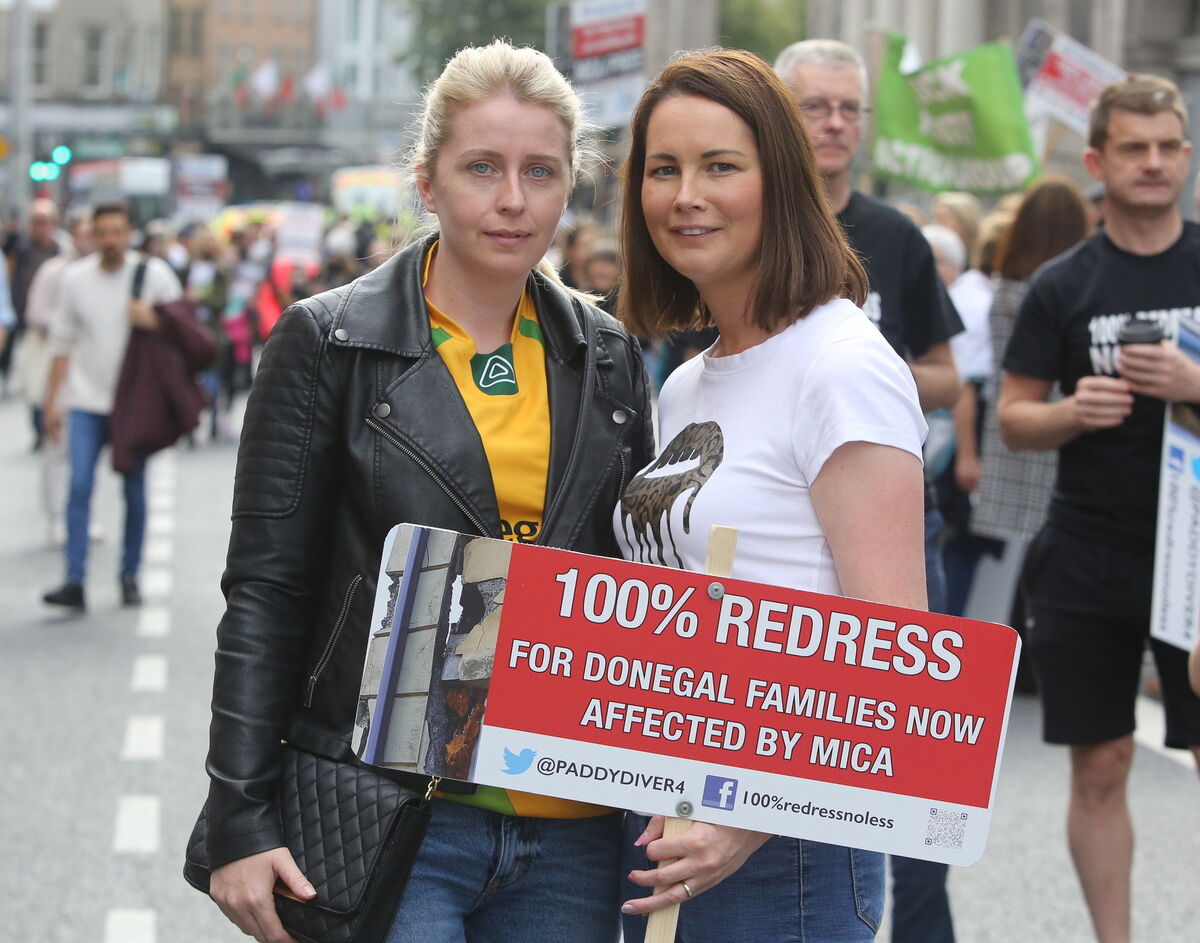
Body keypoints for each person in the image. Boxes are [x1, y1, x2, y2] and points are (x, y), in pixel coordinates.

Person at [200, 40, 653, 943]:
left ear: (573, 187)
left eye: (541, 172)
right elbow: (266, 590)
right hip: (395, 810)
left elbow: (630, 582)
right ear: (427, 182)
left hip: (570, 825)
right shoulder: (329, 343)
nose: (513, 199)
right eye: (482, 167)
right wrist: (238, 818)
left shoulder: (607, 355)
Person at [614, 49, 927, 943]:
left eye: (720, 166)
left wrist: (747, 821)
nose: (685, 196)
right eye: (663, 169)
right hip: (667, 825)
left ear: (781, 181)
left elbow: (899, 654)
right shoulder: (684, 384)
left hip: (785, 851)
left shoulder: (843, 365)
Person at [998, 74, 1200, 943]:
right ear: (1097, 160)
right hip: (1089, 548)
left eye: (1168, 147)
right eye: (1134, 148)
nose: (1153, 163)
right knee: (1102, 765)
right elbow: (1014, 414)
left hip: (1194, 549)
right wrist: (1071, 411)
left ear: (1187, 155)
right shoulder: (1060, 283)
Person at [774, 37, 962, 943]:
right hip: (774, 526)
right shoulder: (743, 225)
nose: (837, 123)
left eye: (851, 108)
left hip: (887, 519)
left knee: (901, 742)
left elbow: (947, 375)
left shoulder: (896, 237)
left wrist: (862, 375)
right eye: (817, 106)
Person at [970, 176, 1090, 672]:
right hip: (1050, 423)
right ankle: (1025, 656)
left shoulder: (1003, 290)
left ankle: (994, 655)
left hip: (1005, 425)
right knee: (1043, 550)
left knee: (1003, 559)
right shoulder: (1057, 293)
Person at [42, 202, 182, 610]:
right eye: (101, 233)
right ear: (91, 235)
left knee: (133, 489)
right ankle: (74, 579)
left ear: (129, 234)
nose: (109, 241)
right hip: (85, 400)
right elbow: (61, 344)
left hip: (133, 404)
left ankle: (129, 574)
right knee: (79, 486)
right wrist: (53, 401)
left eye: (116, 232)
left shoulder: (153, 275)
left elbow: (186, 328)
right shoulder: (74, 279)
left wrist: (153, 320)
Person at [16, 211, 93, 545]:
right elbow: (34, 313)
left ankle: (80, 517)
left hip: (91, 370)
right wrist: (67, 324)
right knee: (56, 444)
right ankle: (54, 516)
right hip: (57, 364)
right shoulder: (56, 272)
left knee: (87, 451)